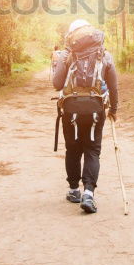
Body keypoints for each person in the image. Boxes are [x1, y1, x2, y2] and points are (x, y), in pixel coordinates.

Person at [51, 19, 119, 214]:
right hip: (95, 109)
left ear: (72, 36)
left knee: (73, 149)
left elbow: (57, 84)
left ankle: (74, 191)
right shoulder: (105, 55)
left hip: (71, 108)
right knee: (92, 150)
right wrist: (113, 110)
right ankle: (89, 193)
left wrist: (59, 64)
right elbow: (113, 87)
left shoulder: (67, 55)